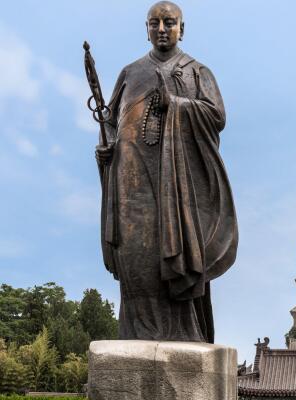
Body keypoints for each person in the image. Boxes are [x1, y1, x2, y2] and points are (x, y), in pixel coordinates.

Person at [94, 1, 238, 343]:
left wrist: (175, 103)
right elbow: (111, 123)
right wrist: (106, 149)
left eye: (169, 22)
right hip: (131, 181)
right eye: (154, 22)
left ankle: (182, 333)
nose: (161, 28)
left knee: (175, 251)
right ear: (146, 28)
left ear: (181, 29)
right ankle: (136, 332)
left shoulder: (195, 71)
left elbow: (216, 116)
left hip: (178, 184)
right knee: (135, 253)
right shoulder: (130, 73)